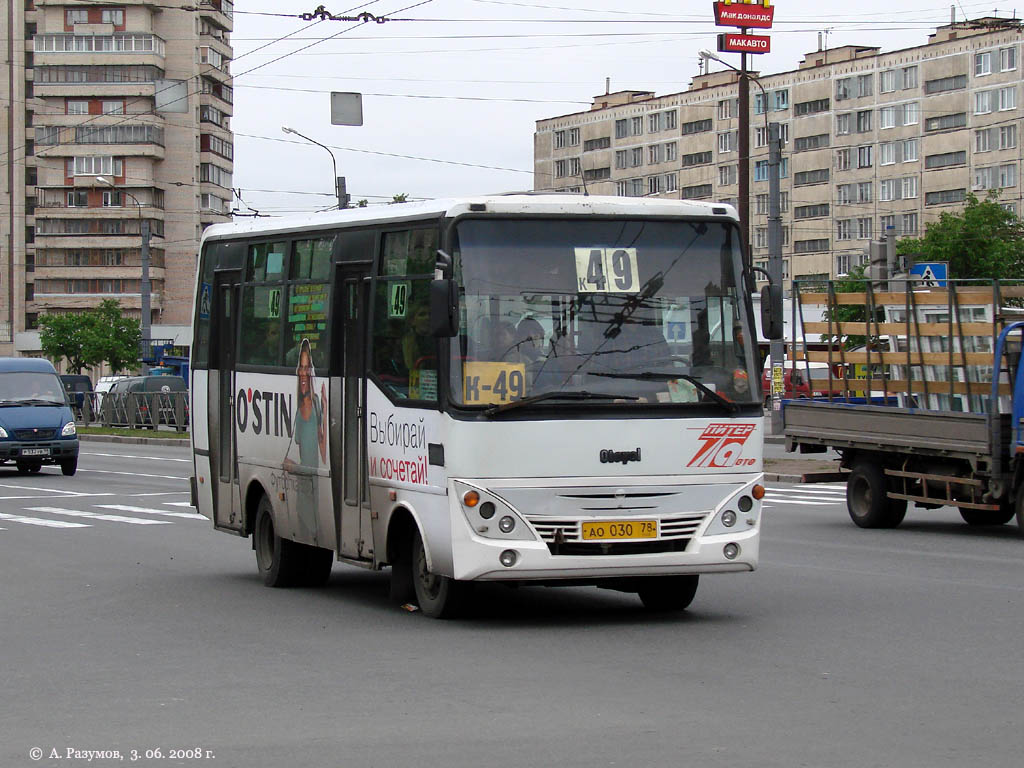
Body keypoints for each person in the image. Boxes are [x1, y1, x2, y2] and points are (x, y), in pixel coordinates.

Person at [283, 338, 327, 541]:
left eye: (307, 367)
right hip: (302, 495)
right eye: (301, 367)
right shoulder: (298, 412)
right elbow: (289, 462)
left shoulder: (317, 404)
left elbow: (323, 456)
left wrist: (325, 413)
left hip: (314, 492)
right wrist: (293, 467)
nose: (303, 372)